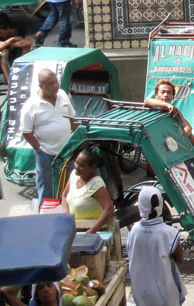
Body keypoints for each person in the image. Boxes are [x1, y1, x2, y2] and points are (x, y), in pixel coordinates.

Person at [20, 68, 75, 201]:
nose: (55, 86)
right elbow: (26, 131)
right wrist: (39, 149)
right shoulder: (31, 105)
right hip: (46, 155)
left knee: (69, 187)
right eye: (50, 84)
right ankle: (45, 218)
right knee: (47, 190)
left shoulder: (62, 95)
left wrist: (73, 139)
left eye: (56, 82)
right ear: (41, 86)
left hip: (67, 153)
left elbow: (73, 118)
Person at [127, 186, 187, 306]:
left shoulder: (134, 231)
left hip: (141, 294)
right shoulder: (169, 233)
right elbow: (180, 259)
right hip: (165, 294)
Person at [60, 148, 114, 234]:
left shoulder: (96, 184)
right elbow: (64, 196)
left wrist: (92, 231)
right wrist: (67, 213)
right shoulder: (74, 175)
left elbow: (109, 209)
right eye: (76, 162)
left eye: (81, 165)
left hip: (91, 233)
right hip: (73, 229)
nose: (77, 167)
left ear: (92, 167)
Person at [143, 79, 194, 153]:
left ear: (173, 97)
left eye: (169, 93)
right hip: (153, 139)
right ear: (156, 95)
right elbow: (147, 101)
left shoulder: (174, 111)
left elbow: (188, 127)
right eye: (162, 92)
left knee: (192, 138)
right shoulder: (152, 107)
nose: (166, 95)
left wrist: (178, 139)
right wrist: (167, 105)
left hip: (170, 140)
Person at [0, 12, 32, 86]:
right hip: (4, 62)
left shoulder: (20, 30)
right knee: (4, 51)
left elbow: (28, 42)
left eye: (0, 31)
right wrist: (12, 40)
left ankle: (22, 76)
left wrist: (11, 44)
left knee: (25, 47)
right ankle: (10, 83)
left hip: (18, 56)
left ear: (8, 28)